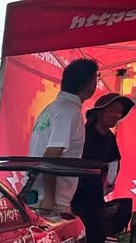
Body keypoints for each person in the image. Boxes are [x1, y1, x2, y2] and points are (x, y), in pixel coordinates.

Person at [72, 92, 136, 243]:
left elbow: (114, 164)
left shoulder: (109, 137)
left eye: (120, 112)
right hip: (73, 200)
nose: (117, 115)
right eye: (113, 110)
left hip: (96, 201)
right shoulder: (81, 134)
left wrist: (107, 185)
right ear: (99, 112)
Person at [27, 58, 99, 216]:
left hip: (37, 194)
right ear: (90, 84)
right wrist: (50, 198)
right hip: (51, 201)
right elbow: (51, 156)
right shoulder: (69, 112)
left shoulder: (51, 108)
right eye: (96, 79)